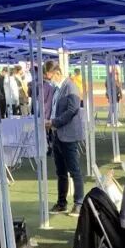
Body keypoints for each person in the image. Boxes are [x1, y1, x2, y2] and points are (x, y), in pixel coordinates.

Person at [44, 59, 85, 215]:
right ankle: (62, 203)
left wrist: (54, 122)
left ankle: (79, 203)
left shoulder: (70, 87)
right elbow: (55, 108)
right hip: (57, 134)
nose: (49, 80)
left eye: (49, 76)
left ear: (57, 73)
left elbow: (72, 110)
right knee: (61, 172)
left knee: (74, 171)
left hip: (68, 135)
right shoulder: (57, 89)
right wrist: (50, 121)